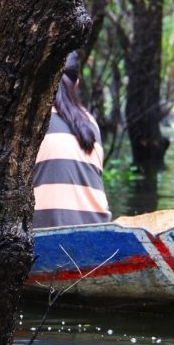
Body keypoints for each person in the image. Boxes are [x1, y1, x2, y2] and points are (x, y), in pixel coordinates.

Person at [32, 51, 111, 228]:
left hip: (47, 232)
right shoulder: (90, 123)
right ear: (76, 83)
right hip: (99, 229)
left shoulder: (31, 122)